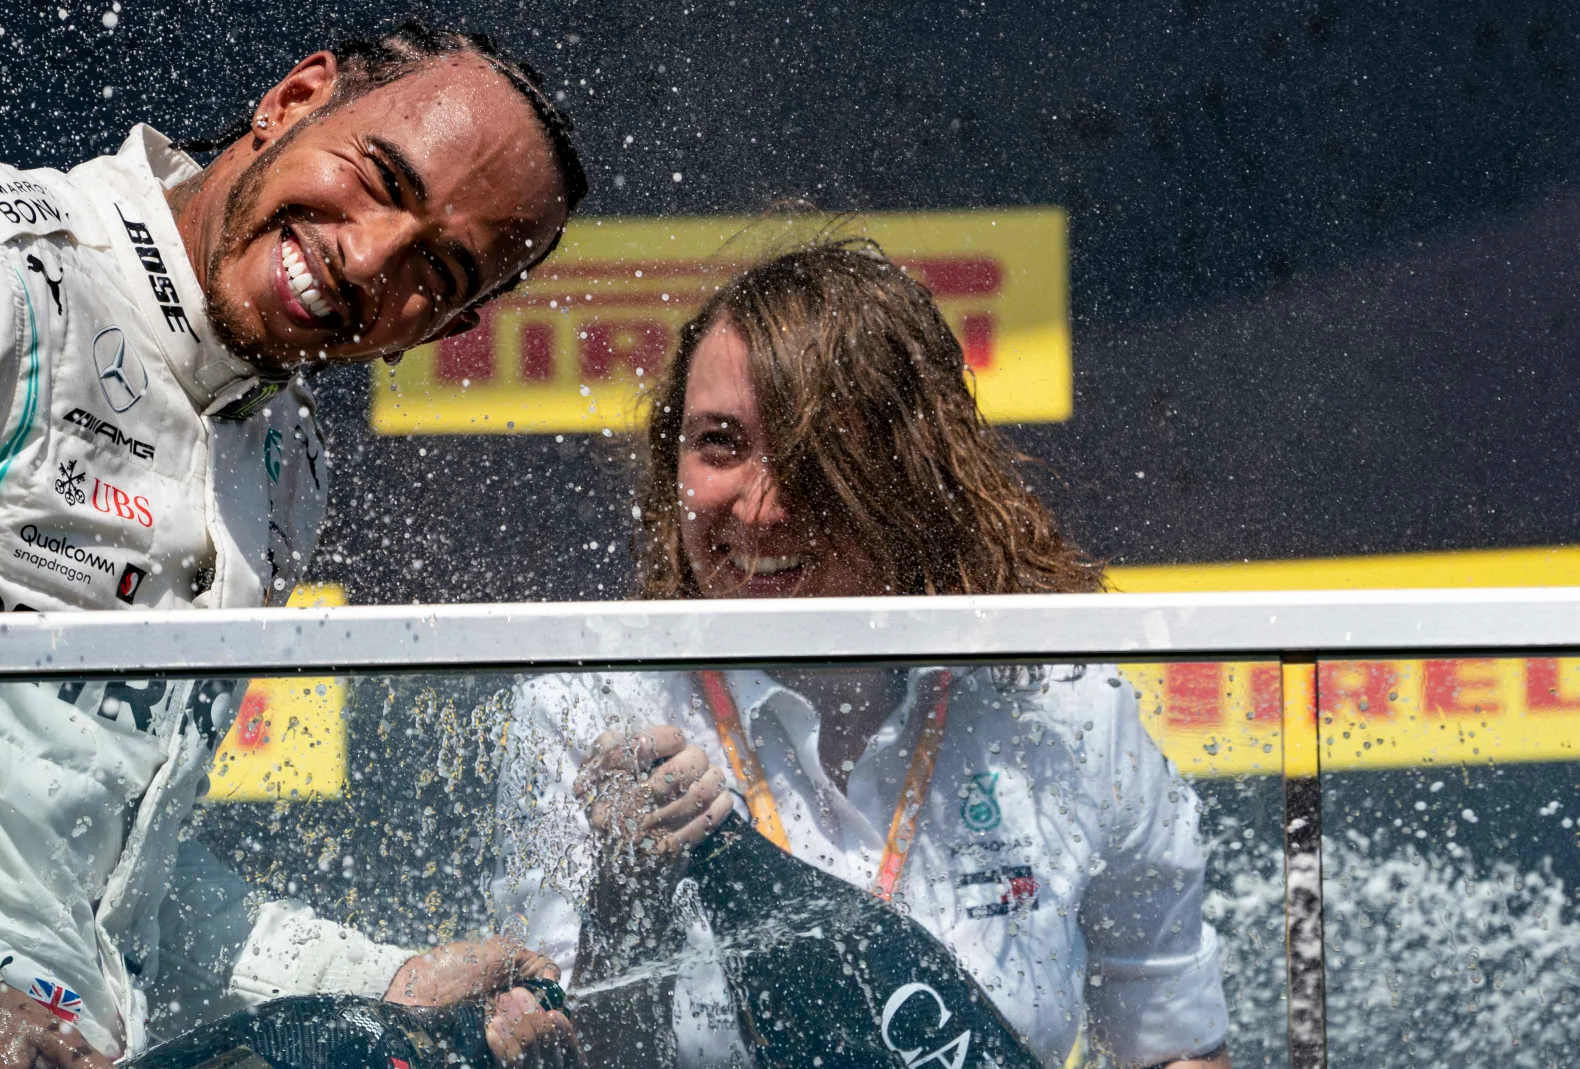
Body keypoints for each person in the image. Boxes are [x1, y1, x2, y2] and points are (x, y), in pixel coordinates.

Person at [0, 21, 586, 1069]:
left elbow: (93, 874)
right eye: (378, 176)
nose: (367, 256)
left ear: (435, 334)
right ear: (293, 99)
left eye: (440, 267)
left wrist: (379, 977)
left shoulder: (282, 463)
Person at [490, 240, 1232, 1067]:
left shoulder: (1064, 704)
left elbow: (1172, 1043)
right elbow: (568, 1053)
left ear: (908, 473)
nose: (761, 507)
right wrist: (631, 890)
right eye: (721, 443)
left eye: (813, 455)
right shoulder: (596, 714)